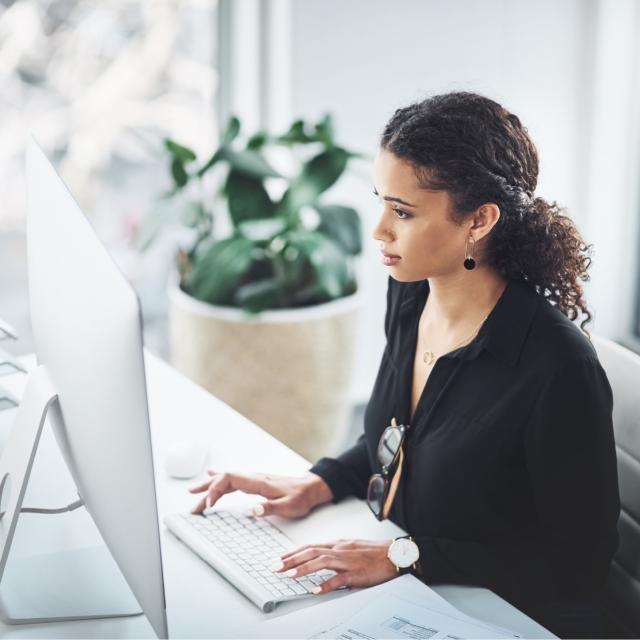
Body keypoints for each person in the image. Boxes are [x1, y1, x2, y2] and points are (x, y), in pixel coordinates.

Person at [189, 92, 620, 638]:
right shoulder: (413, 295)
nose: (378, 231)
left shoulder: (556, 368)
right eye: (382, 202)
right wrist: (319, 483)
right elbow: (401, 437)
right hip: (413, 595)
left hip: (503, 616)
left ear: (480, 220)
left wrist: (404, 554)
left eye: (402, 212)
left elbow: (577, 568)